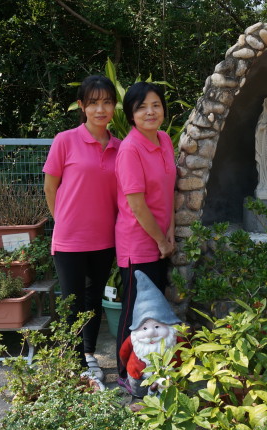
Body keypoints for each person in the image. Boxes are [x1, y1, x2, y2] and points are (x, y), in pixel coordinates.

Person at [42, 75, 120, 379]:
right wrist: (62, 221)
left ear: (114, 107)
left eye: (107, 102)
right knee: (71, 303)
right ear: (81, 106)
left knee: (93, 300)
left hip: (105, 239)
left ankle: (88, 356)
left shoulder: (120, 147)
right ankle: (72, 367)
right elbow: (50, 187)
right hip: (70, 239)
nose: (101, 109)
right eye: (93, 103)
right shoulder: (65, 140)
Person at [114, 81, 176, 385]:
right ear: (131, 114)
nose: (150, 112)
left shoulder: (164, 139)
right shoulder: (130, 149)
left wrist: (171, 232)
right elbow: (137, 205)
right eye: (142, 108)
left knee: (156, 313)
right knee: (135, 315)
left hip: (162, 240)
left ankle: (152, 372)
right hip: (138, 244)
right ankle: (125, 373)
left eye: (156, 105)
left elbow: (169, 191)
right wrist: (161, 240)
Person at [118, 270, 184, 402]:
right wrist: (130, 367)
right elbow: (123, 354)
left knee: (169, 395)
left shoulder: (175, 338)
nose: (151, 333)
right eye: (144, 328)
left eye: (157, 327)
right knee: (139, 396)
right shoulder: (133, 339)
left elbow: (186, 352)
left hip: (169, 377)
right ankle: (139, 399)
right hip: (139, 376)